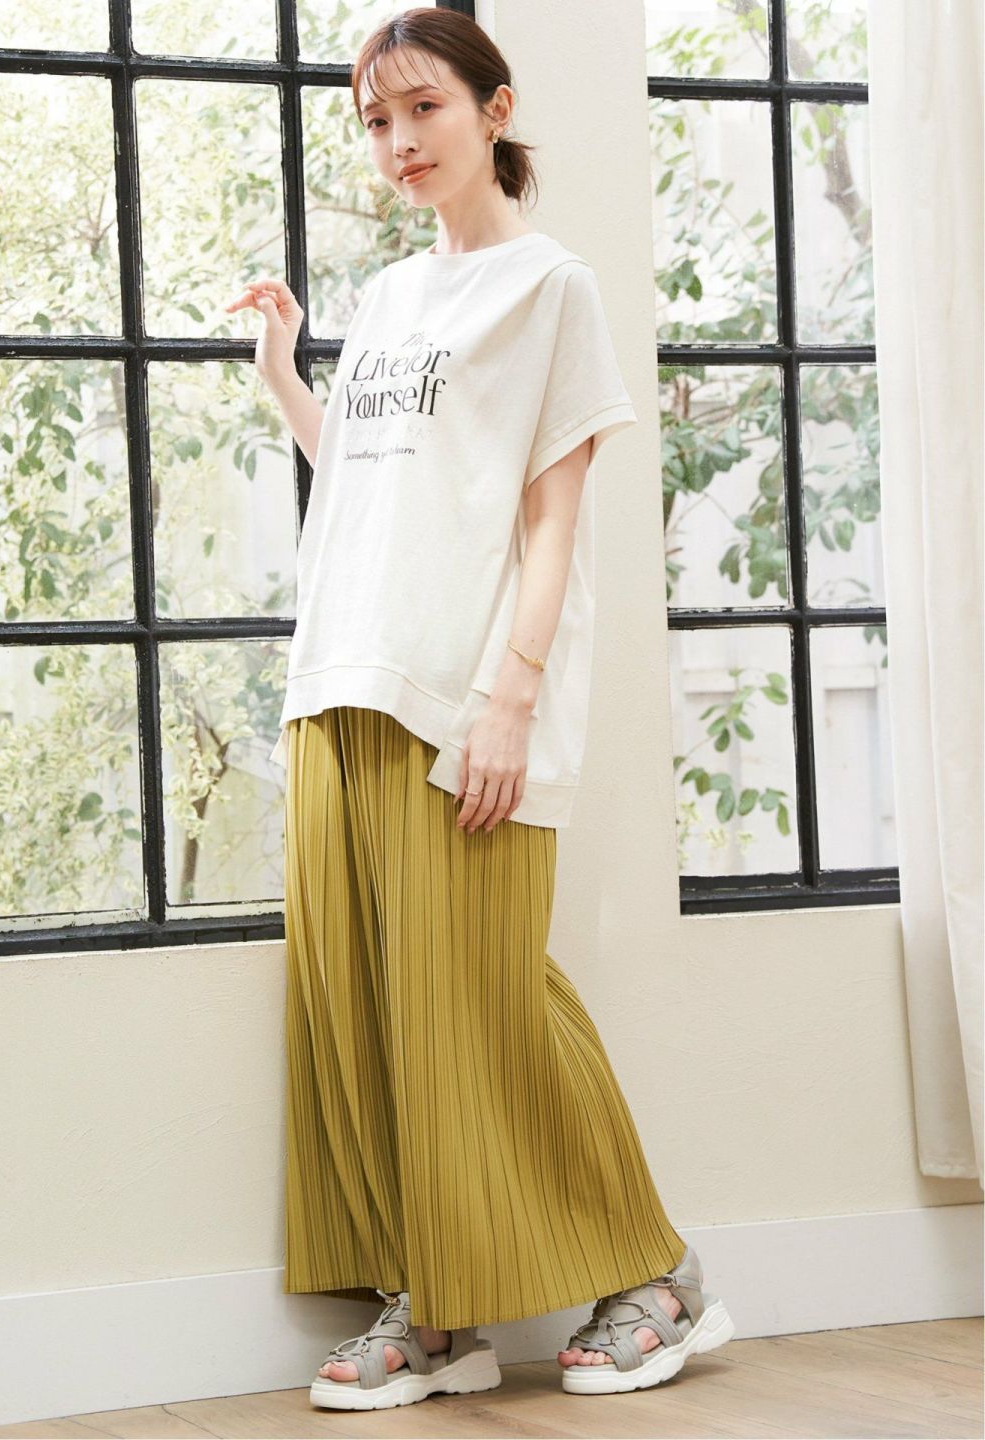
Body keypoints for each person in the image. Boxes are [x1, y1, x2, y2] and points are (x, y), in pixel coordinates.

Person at [224, 6, 734, 1412]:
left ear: (494, 110)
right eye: (376, 121)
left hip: (460, 692)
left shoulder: (552, 287)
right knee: (369, 1010)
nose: (398, 142)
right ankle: (435, 1309)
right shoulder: (392, 297)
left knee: (484, 992)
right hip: (343, 673)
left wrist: (510, 695)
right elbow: (372, 482)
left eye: (424, 109)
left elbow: (553, 516)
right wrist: (284, 381)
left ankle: (659, 1275)